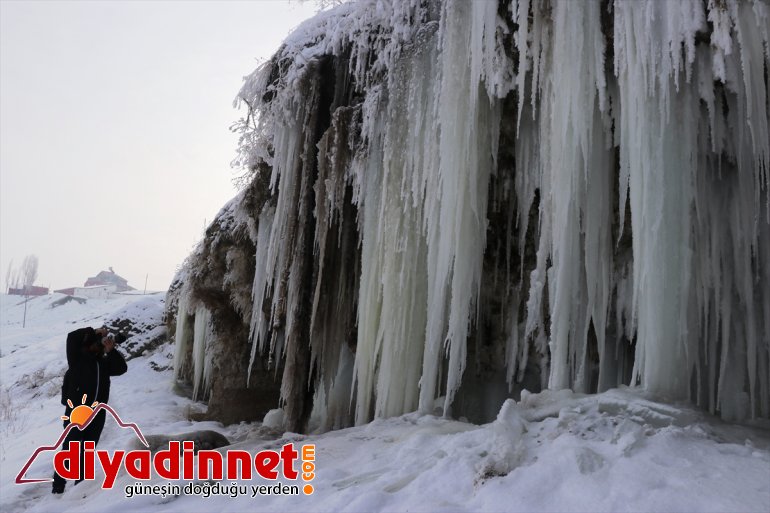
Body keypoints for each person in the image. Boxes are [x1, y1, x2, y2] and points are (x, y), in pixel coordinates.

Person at [52, 326, 127, 494]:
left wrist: (111, 350)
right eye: (97, 342)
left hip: (97, 413)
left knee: (88, 450)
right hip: (77, 410)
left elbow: (121, 369)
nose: (99, 345)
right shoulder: (77, 357)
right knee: (71, 449)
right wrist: (95, 331)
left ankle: (81, 487)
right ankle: (58, 487)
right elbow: (72, 336)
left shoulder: (103, 362)